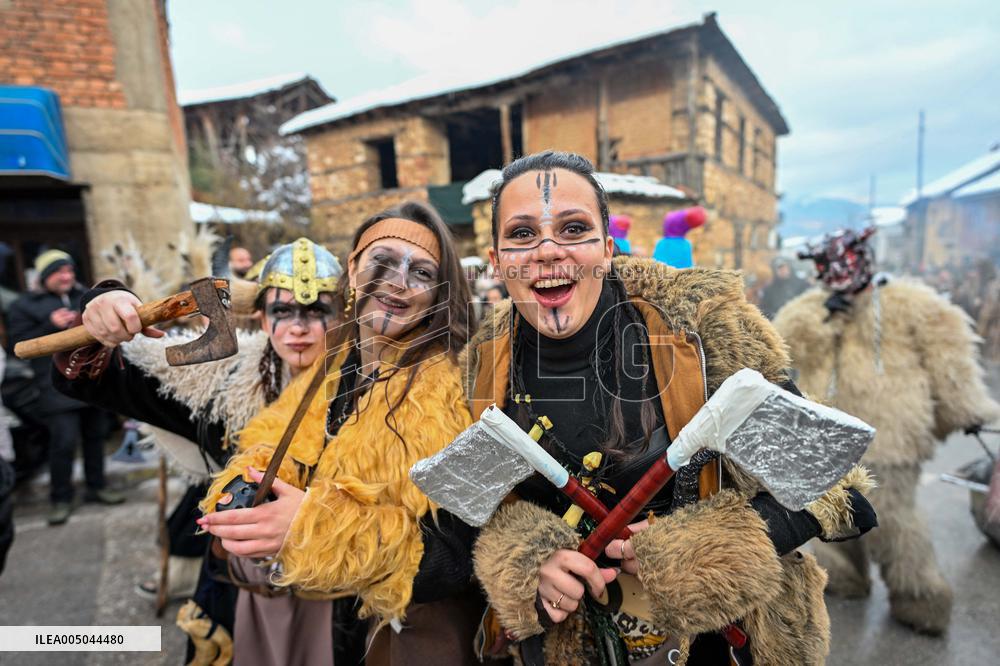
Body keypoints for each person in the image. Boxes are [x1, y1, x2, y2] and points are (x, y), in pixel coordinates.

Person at [465, 151, 876, 665]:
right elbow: (479, 511)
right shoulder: (483, 362)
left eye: (574, 228)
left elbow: (840, 488)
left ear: (607, 247)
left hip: (720, 646)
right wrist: (529, 566)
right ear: (497, 259)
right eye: (522, 235)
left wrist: (712, 549)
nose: (548, 251)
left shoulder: (700, 329)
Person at [197, 201, 483, 666]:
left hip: (392, 631)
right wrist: (249, 490)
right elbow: (282, 439)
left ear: (438, 293)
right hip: (320, 620)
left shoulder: (456, 387)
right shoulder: (337, 360)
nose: (398, 282)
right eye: (383, 262)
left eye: (422, 273)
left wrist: (314, 523)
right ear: (353, 268)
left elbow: (455, 555)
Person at [52, 237, 342, 663]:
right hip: (237, 595)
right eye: (282, 311)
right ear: (262, 318)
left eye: (317, 311)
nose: (299, 327)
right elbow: (88, 378)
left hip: (342, 599)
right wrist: (104, 305)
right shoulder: (220, 380)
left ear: (343, 316)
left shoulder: (373, 385)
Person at [774, 228, 1000, 635]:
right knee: (828, 516)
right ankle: (843, 579)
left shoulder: (909, 304)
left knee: (894, 521)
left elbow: (948, 354)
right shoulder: (812, 306)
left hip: (890, 434)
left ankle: (921, 599)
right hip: (824, 437)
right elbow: (784, 344)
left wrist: (964, 407)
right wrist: (823, 317)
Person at [7, 250, 123, 526]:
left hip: (91, 382)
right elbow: (17, 344)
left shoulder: (84, 298)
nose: (67, 277)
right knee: (63, 443)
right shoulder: (24, 305)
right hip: (54, 388)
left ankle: (97, 487)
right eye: (60, 272)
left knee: (96, 437)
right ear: (45, 277)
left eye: (70, 271)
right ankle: (61, 498)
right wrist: (51, 325)